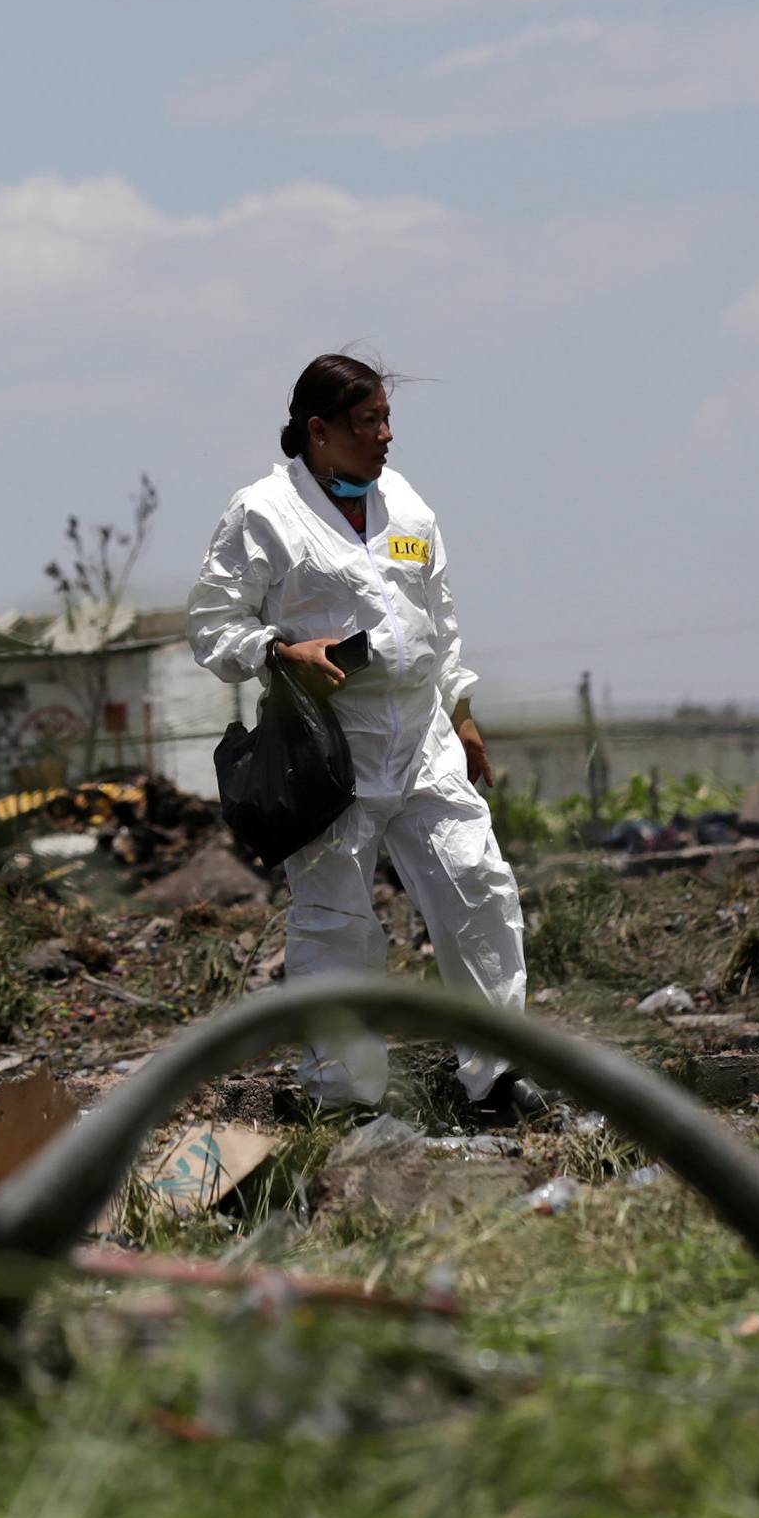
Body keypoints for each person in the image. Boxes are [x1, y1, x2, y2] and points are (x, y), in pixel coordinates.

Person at [186, 353, 539, 1119]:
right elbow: (212, 625)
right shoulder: (264, 514)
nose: (385, 436)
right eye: (367, 421)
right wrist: (279, 652)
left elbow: (438, 622)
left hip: (420, 737)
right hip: (328, 746)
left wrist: (462, 711)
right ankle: (345, 1099)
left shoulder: (407, 508)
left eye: (387, 419)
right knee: (337, 920)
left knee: (477, 888)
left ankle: (499, 1076)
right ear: (318, 432)